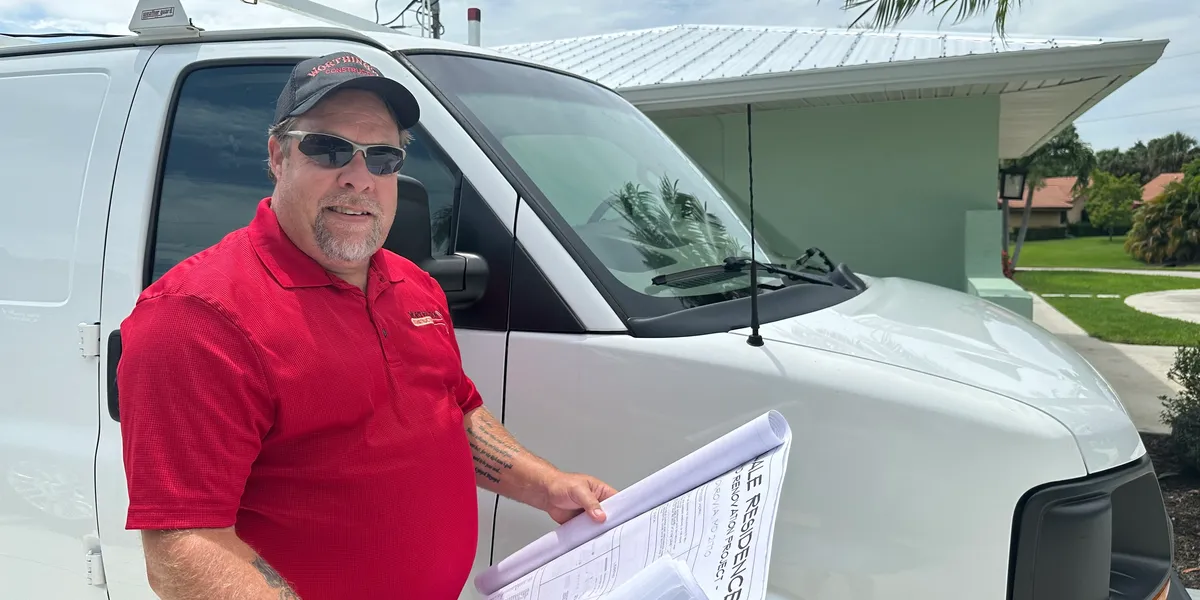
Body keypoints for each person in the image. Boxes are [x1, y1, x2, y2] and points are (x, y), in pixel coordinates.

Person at [116, 51, 618, 600]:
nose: (359, 179)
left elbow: (455, 413)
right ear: (278, 157)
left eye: (382, 157)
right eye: (328, 149)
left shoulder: (414, 286)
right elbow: (184, 547)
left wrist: (548, 486)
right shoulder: (197, 315)